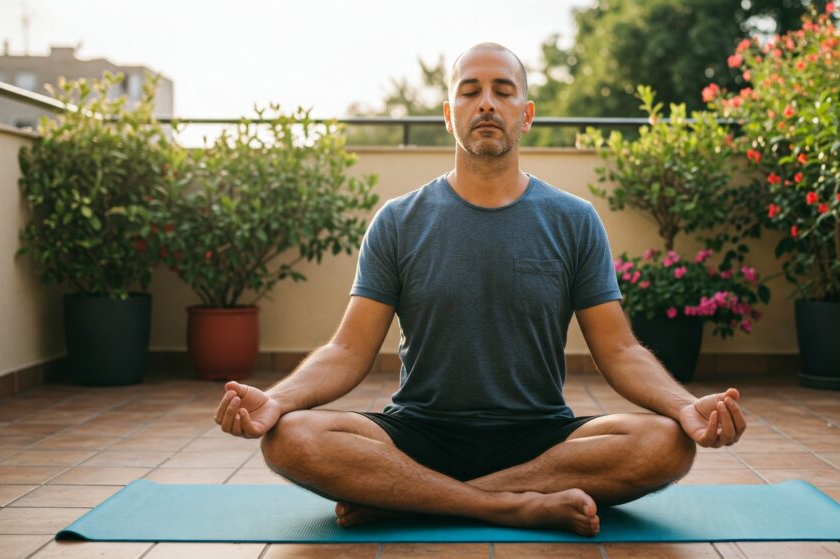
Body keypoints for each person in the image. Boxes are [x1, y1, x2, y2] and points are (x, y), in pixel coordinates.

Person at [213, 42, 746, 537]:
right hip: (419, 433)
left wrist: (683, 407)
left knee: (667, 444)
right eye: (469, 91)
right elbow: (349, 350)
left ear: (526, 114)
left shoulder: (575, 220)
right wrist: (276, 401)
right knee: (290, 437)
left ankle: (407, 500)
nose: (486, 103)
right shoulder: (398, 221)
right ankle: (509, 505)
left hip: (541, 438)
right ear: (449, 115)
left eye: (502, 91)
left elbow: (621, 350)